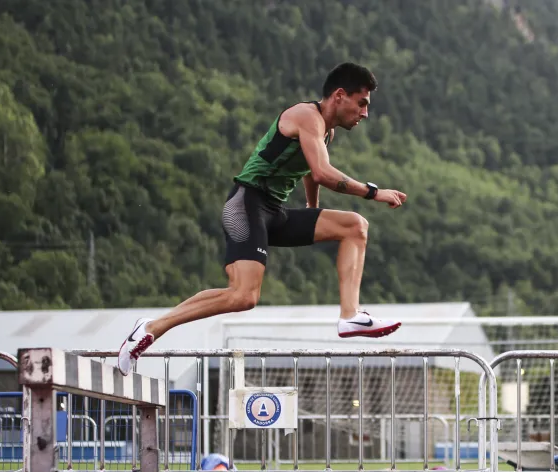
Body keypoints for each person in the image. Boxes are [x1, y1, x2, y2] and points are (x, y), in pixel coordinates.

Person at [116, 62, 407, 376]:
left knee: (354, 226)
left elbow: (312, 169)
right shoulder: (304, 115)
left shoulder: (326, 132)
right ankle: (151, 327)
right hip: (246, 205)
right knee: (243, 296)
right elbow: (322, 172)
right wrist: (373, 191)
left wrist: (312, 207)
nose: (364, 113)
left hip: (274, 212)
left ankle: (350, 315)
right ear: (340, 95)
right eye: (362, 103)